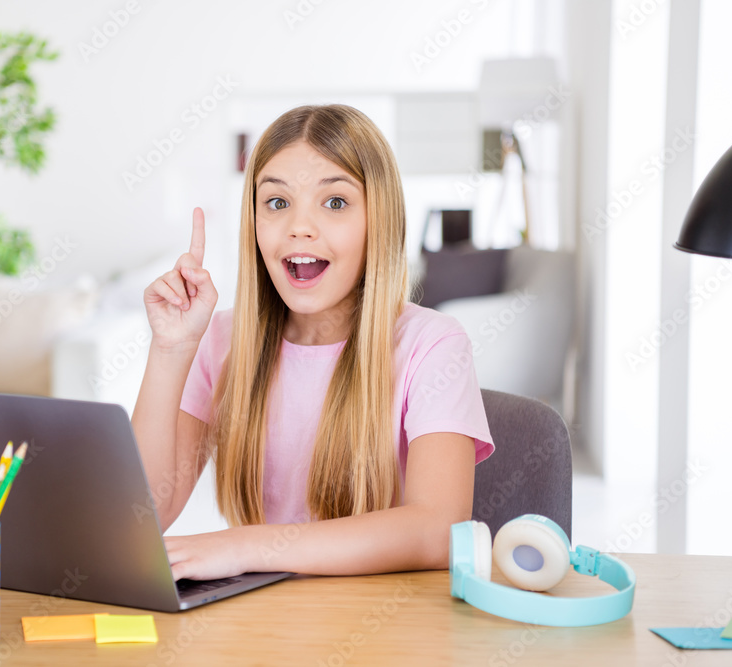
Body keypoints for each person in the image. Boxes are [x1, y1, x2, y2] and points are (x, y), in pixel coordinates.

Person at [132, 104, 494, 582]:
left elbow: (436, 529)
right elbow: (142, 516)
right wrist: (171, 350)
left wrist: (242, 547)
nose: (299, 227)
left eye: (335, 202)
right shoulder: (221, 340)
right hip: (270, 621)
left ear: (377, 221)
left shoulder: (433, 345)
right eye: (277, 203)